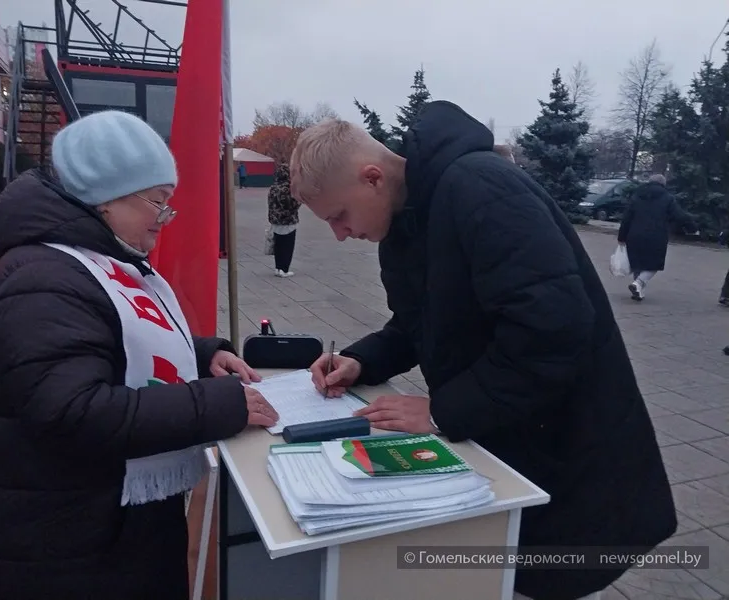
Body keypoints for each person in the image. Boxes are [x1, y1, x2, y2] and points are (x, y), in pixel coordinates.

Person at [289, 101, 676, 600]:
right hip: (507, 441)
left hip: (566, 453)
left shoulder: (481, 188)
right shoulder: (404, 225)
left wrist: (441, 411)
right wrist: (362, 360)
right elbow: (418, 324)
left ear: (372, 178)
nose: (340, 235)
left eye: (339, 217)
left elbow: (552, 332)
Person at [0, 110, 278, 600]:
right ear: (106, 197)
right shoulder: (41, 280)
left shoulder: (79, 263)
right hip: (65, 545)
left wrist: (202, 357)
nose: (164, 220)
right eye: (157, 202)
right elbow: (73, 411)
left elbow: (109, 344)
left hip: (98, 522)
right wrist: (218, 405)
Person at [617, 173, 697, 301]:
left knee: (638, 263)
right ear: (663, 184)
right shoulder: (667, 198)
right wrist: (691, 227)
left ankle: (638, 291)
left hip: (634, 235)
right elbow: (679, 215)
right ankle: (638, 283)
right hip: (656, 236)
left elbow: (626, 218)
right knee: (653, 264)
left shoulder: (637, 195)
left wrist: (621, 236)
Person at [267, 163, 300, 277]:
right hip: (288, 221)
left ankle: (278, 267)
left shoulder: (273, 187)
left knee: (278, 245)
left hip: (275, 220)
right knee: (287, 245)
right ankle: (284, 269)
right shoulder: (288, 188)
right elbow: (292, 204)